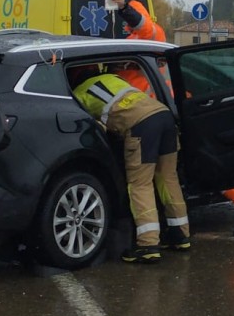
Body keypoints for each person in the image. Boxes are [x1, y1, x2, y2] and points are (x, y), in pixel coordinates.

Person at [72, 68, 191, 262]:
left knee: (140, 184)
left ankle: (148, 245)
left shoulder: (78, 94)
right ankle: (180, 235)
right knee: (168, 178)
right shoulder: (113, 78)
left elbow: (89, 125)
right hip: (164, 116)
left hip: (141, 125)